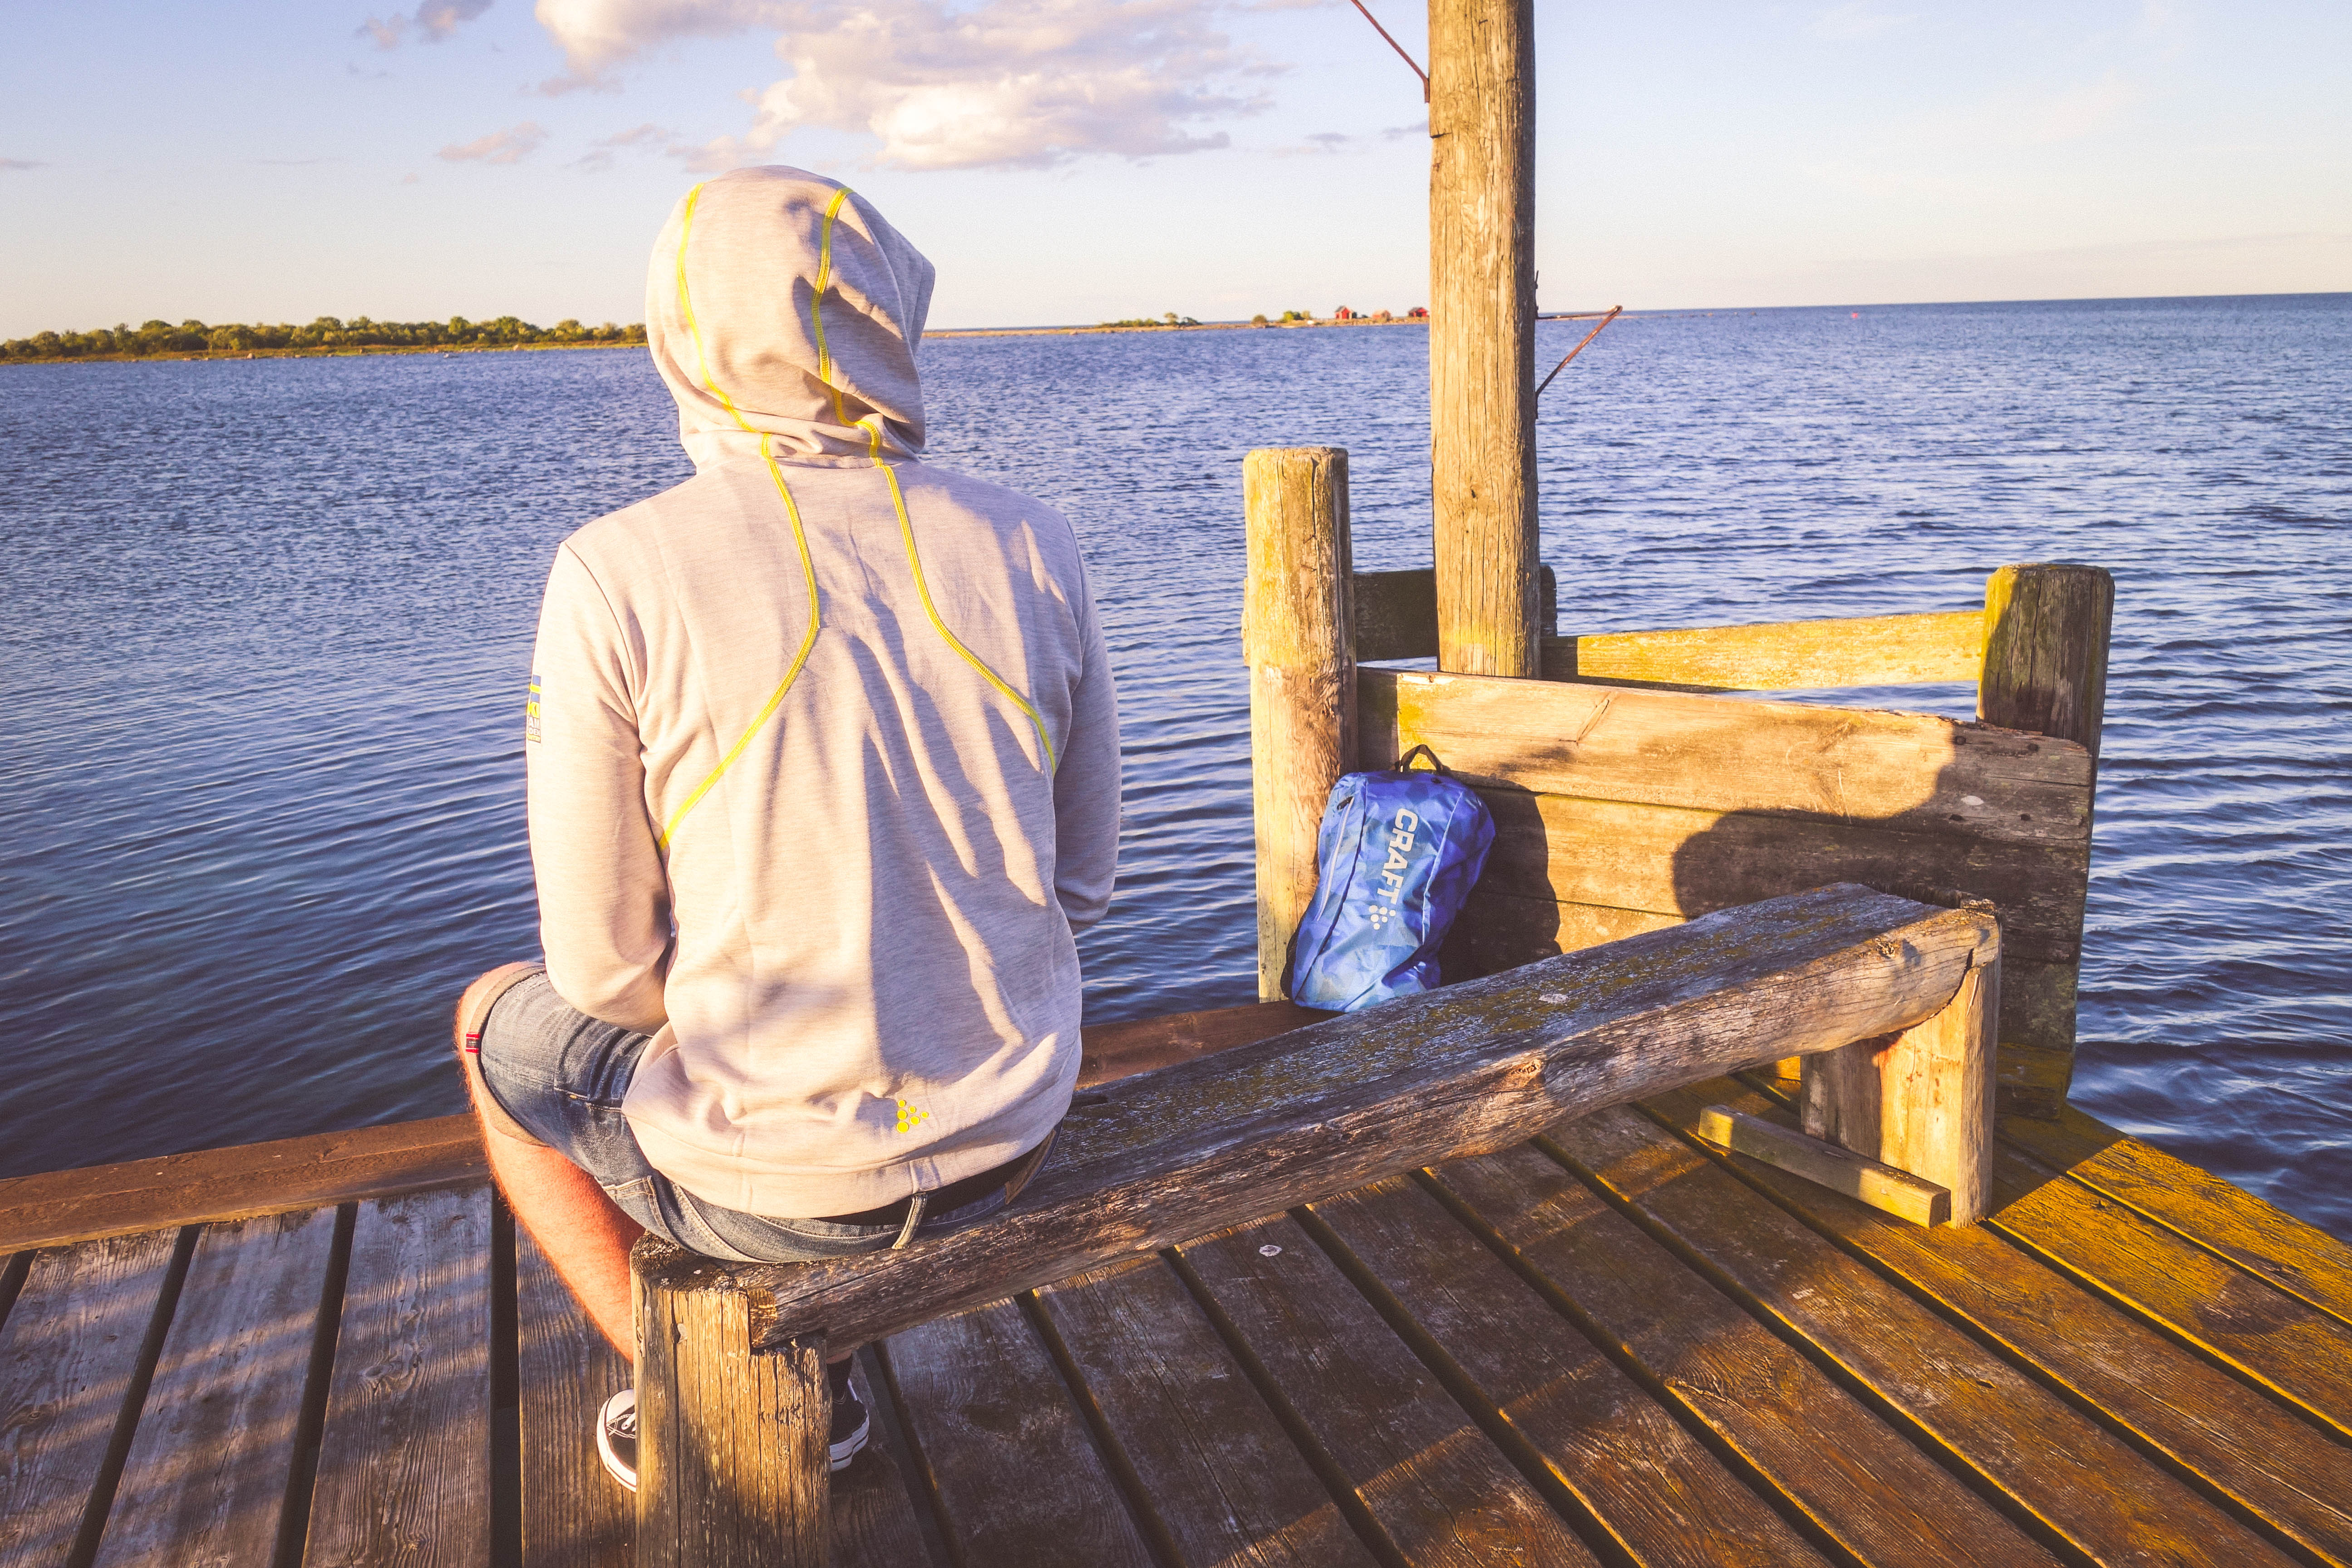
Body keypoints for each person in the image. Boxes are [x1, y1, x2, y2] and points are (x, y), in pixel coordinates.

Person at [449, 166, 1120, 1492]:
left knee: (487, 1022)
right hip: (1012, 1138)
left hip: (784, 1199)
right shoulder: (1037, 543)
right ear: (891, 316)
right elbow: (1082, 887)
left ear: (679, 333)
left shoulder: (617, 567)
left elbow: (598, 975)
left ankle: (688, 1376)